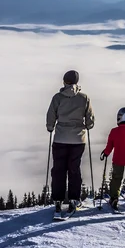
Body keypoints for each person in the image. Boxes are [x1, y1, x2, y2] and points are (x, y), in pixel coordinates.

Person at [46, 70, 95, 214]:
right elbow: (90, 119)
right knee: (74, 169)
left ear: (64, 81)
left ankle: (57, 200)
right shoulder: (84, 98)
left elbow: (51, 116)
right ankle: (74, 199)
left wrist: (50, 128)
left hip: (60, 138)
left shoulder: (57, 98)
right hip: (78, 140)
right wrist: (87, 126)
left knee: (58, 169)